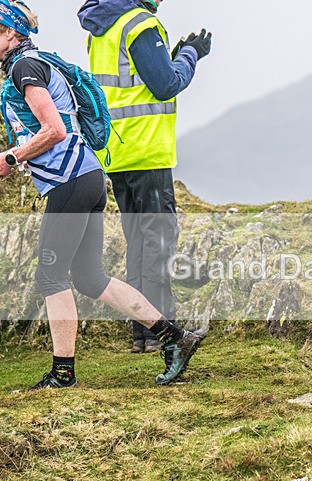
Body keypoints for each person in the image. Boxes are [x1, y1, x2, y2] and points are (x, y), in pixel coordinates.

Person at [0, 0, 202, 389]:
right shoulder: (35, 62)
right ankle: (175, 337)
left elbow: (54, 130)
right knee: (90, 278)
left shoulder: (25, 67)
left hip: (71, 181)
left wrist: (11, 157)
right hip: (88, 176)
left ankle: (62, 374)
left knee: (50, 275)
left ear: (10, 32)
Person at [78, 0, 212, 353]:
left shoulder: (101, 27)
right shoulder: (139, 24)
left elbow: (133, 82)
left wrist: (172, 55)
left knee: (138, 242)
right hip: (147, 148)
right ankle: (162, 332)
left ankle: (144, 333)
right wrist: (191, 54)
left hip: (118, 150)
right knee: (158, 241)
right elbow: (166, 84)